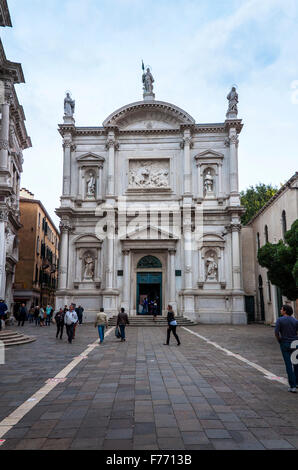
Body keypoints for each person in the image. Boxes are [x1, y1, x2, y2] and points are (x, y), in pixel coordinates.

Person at [275, 304, 298, 393]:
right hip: (295, 343)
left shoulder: (280, 320)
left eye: (281, 309)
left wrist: (279, 340)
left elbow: (276, 332)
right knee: (296, 364)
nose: (281, 310)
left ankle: (292, 386)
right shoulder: (295, 320)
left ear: (285, 311)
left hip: (285, 343)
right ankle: (296, 382)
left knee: (288, 365)